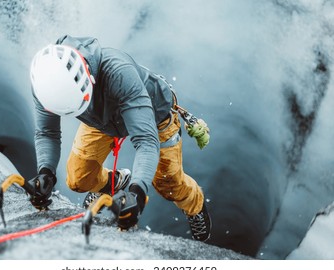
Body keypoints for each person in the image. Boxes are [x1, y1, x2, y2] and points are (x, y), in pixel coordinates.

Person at [27, 35, 211, 241]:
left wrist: (138, 191)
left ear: (89, 80)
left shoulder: (119, 73)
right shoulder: (45, 83)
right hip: (101, 118)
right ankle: (114, 183)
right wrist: (46, 172)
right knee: (78, 178)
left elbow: (146, 141)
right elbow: (47, 132)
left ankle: (196, 206)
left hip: (155, 116)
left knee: (169, 185)